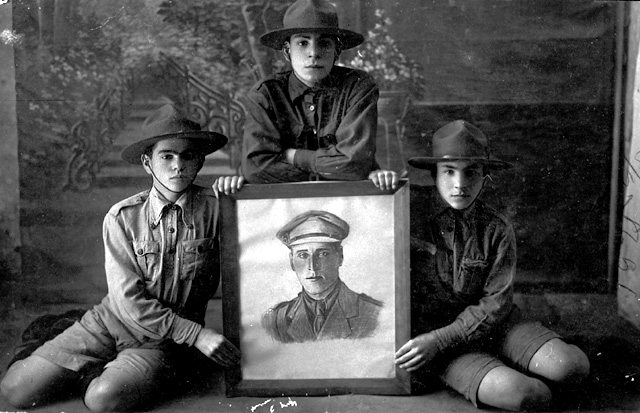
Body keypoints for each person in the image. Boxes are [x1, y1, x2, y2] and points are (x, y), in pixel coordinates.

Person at [0, 104, 242, 412]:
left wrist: (239, 192)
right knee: (14, 390)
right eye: (166, 155)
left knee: (102, 399)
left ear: (200, 161)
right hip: (111, 319)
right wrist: (199, 334)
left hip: (164, 341)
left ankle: (103, 371)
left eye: (188, 155)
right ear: (147, 163)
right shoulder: (122, 217)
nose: (177, 165)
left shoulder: (218, 208)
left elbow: (263, 225)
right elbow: (127, 300)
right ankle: (72, 344)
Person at [395, 120, 590, 411]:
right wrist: (379, 184)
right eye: (449, 171)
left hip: (496, 326)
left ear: (486, 175)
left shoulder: (497, 228)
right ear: (433, 174)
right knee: (525, 396)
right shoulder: (406, 211)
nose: (459, 184)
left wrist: (440, 339)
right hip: (438, 346)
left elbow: (495, 305)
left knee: (571, 367)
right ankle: (511, 374)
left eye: (471, 171)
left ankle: (527, 359)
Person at [214, 0, 398, 195]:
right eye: (303, 43)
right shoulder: (266, 94)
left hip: (348, 199)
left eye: (324, 43)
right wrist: (333, 168)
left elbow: (354, 164)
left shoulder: (358, 86)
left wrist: (293, 156)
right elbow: (257, 169)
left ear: (337, 52)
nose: (313, 53)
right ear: (287, 51)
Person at [262, 210, 383, 343]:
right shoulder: (275, 320)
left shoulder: (375, 314)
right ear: (292, 261)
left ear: (340, 256)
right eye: (303, 255)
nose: (312, 267)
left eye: (323, 254)